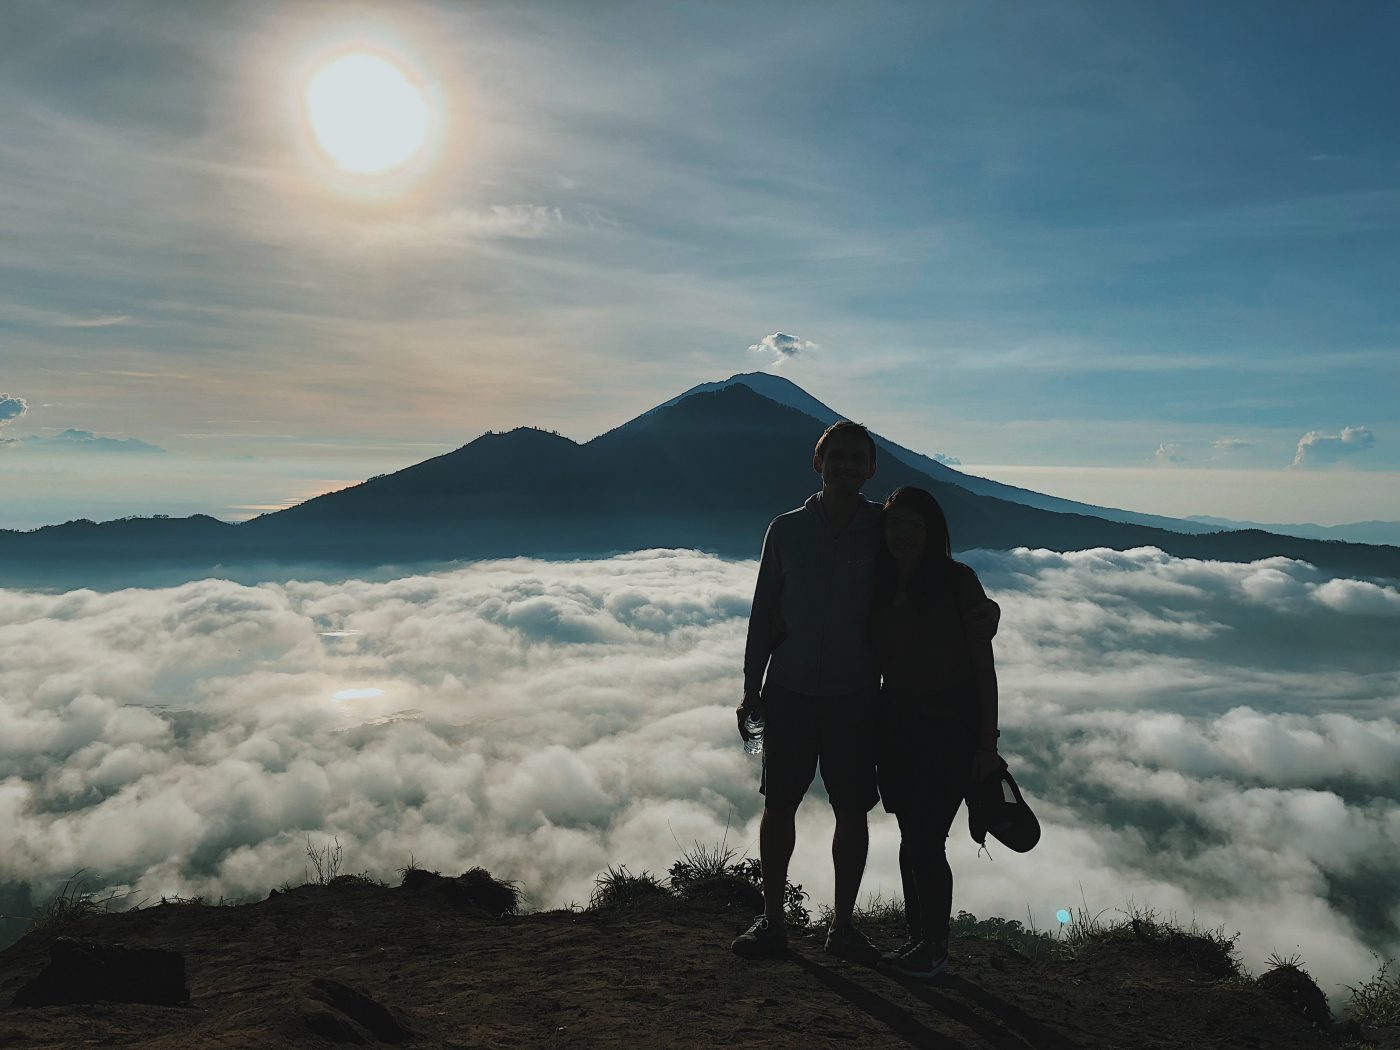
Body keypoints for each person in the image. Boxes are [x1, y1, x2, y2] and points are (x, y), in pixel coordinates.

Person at [731, 424, 998, 963]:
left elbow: (928, 568)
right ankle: (774, 921)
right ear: (818, 462)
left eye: (858, 459)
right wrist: (750, 688)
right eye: (838, 457)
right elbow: (763, 613)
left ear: (873, 469)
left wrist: (983, 607)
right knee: (779, 804)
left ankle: (844, 927)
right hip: (789, 690)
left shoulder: (883, 527)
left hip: (857, 697)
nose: (847, 466)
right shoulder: (784, 532)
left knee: (851, 810)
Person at [872, 485, 1001, 979]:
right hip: (896, 724)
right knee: (912, 837)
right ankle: (918, 939)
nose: (903, 535)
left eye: (915, 526)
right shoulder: (878, 581)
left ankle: (934, 947)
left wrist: (986, 744)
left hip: (950, 727)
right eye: (894, 525)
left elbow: (983, 667)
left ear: (934, 533)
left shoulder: (957, 581)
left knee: (926, 839)